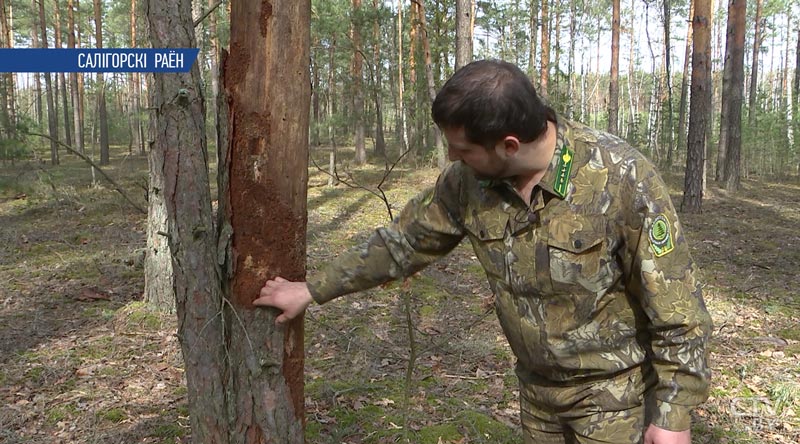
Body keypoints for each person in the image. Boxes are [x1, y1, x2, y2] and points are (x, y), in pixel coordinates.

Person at [254, 59, 712, 444]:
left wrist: (673, 413)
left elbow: (676, 306)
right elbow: (403, 242)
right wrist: (312, 290)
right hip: (536, 398)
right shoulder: (466, 185)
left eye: (463, 149)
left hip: (618, 398)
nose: (453, 158)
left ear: (508, 145)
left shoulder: (620, 177)